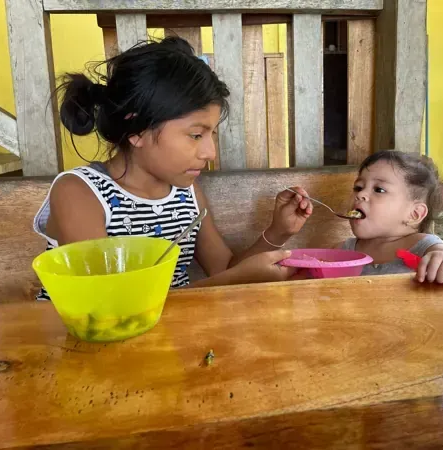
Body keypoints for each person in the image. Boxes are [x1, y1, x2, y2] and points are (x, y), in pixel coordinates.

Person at [33, 37, 312, 299]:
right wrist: (234, 280)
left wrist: (278, 232)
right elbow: (113, 302)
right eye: (195, 135)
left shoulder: (186, 193)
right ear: (138, 130)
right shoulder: (80, 193)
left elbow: (224, 269)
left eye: (212, 134)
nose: (210, 152)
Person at [339, 150, 443, 284]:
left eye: (379, 190)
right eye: (358, 187)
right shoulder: (344, 250)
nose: (360, 194)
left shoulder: (423, 247)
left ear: (414, 214)